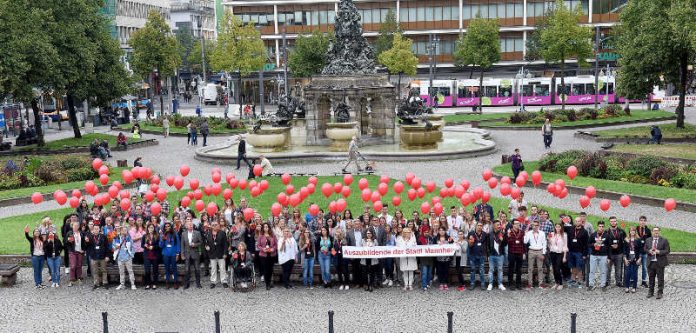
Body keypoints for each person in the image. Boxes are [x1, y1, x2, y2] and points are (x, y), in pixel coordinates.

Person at [644, 227, 670, 299]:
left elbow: (667, 250)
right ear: (652, 232)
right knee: (651, 277)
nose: (656, 232)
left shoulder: (664, 240)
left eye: (657, 231)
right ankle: (650, 292)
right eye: (654, 231)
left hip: (660, 262)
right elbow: (645, 249)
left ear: (659, 232)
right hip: (650, 262)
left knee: (660, 278)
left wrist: (659, 252)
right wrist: (649, 251)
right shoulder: (648, 240)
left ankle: (660, 292)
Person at [588, 221, 610, 291]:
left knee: (603, 271)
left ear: (604, 227)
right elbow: (588, 244)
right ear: (597, 227)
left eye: (602, 226)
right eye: (599, 226)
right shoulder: (593, 234)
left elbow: (609, 247)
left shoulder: (607, 235)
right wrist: (593, 245)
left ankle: (603, 285)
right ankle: (591, 284)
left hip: (603, 256)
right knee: (592, 271)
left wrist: (609, 257)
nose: (601, 228)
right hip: (594, 255)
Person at [567, 217, 589, 288]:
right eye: (576, 221)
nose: (577, 222)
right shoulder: (571, 229)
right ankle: (573, 280)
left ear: (581, 222)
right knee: (573, 267)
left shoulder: (584, 232)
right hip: (571, 252)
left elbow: (586, 244)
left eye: (578, 221)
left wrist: (585, 254)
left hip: (579, 253)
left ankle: (580, 281)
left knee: (579, 267)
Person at [205, 221, 228, 289]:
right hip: (212, 254)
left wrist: (225, 253)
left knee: (222, 269)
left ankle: (224, 281)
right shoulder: (208, 233)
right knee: (213, 269)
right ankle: (213, 282)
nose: (214, 226)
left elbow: (225, 245)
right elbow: (206, 243)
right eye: (213, 225)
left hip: (221, 254)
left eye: (216, 225)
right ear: (211, 226)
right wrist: (206, 246)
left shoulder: (222, 233)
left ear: (218, 225)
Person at [524, 221, 547, 289]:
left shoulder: (542, 233)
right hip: (531, 251)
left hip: (540, 251)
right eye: (534, 225)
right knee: (530, 268)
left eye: (536, 225)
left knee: (540, 268)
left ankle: (541, 283)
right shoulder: (529, 233)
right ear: (532, 226)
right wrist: (526, 233)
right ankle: (530, 284)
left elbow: (544, 243)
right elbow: (525, 241)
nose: (535, 226)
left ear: (539, 226)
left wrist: (543, 253)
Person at [113, 226, 136, 290]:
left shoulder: (129, 238)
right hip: (120, 257)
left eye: (126, 230)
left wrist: (132, 255)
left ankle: (132, 284)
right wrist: (115, 247)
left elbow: (133, 247)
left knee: (130, 271)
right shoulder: (116, 238)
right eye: (123, 230)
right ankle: (122, 284)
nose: (124, 231)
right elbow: (113, 246)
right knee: (121, 272)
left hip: (128, 257)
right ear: (120, 231)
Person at [605, 217, 626, 287]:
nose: (613, 222)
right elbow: (605, 243)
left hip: (619, 253)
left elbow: (625, 242)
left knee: (619, 269)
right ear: (609, 222)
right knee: (608, 269)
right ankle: (607, 281)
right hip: (609, 253)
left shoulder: (621, 231)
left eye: (614, 221)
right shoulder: (606, 231)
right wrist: (611, 246)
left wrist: (622, 250)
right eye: (611, 221)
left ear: (617, 222)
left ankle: (619, 282)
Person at [181, 220, 203, 289]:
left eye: (191, 225)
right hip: (187, 254)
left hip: (195, 253)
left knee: (197, 269)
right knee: (187, 269)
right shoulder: (183, 234)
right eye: (189, 225)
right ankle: (186, 284)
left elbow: (201, 242)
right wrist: (182, 254)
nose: (190, 226)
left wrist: (195, 244)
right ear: (186, 226)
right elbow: (182, 245)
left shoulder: (197, 233)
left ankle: (198, 283)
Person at [87, 225, 109, 289]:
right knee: (95, 271)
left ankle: (105, 283)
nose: (96, 230)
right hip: (94, 257)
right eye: (95, 229)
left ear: (99, 229)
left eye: (97, 229)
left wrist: (107, 256)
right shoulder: (90, 237)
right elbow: (87, 246)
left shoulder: (103, 237)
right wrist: (86, 242)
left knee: (104, 270)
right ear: (93, 230)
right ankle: (96, 283)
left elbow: (107, 247)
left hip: (102, 257)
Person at [257, 223, 277, 290]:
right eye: (265, 227)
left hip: (271, 255)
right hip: (263, 255)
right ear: (263, 228)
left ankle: (269, 281)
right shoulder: (261, 236)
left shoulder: (273, 235)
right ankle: (267, 284)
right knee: (266, 269)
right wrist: (263, 249)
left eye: (267, 227)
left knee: (270, 269)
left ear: (269, 228)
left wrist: (273, 249)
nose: (266, 228)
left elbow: (276, 245)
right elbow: (258, 246)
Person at [487, 221, 507, 291]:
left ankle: (500, 284)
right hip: (492, 255)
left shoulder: (503, 234)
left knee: (500, 270)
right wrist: (488, 254)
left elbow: (505, 244)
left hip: (500, 255)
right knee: (491, 270)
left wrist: (503, 239)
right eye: (497, 225)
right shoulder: (490, 234)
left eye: (500, 225)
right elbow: (487, 245)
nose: (499, 226)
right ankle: (490, 284)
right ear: (494, 226)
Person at [160, 222, 181, 289]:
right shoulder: (163, 235)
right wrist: (163, 240)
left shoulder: (175, 234)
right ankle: (167, 282)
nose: (167, 228)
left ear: (171, 227)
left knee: (174, 268)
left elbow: (178, 244)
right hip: (166, 254)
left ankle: (175, 282)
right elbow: (160, 246)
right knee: (167, 269)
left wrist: (178, 254)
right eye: (165, 226)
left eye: (168, 226)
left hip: (173, 254)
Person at [548, 222, 568, 290]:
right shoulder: (552, 234)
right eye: (556, 227)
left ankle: (561, 283)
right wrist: (549, 239)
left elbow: (565, 246)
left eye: (559, 227)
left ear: (561, 227)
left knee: (558, 269)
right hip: (553, 252)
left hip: (560, 253)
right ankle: (556, 282)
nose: (558, 228)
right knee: (554, 269)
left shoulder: (564, 235)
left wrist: (564, 256)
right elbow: (550, 243)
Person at [65, 221, 86, 287]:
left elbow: (84, 242)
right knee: (73, 265)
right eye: (74, 225)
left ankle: (79, 278)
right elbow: (65, 243)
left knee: (79, 265)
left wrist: (83, 249)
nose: (76, 227)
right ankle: (72, 279)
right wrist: (68, 241)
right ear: (72, 226)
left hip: (80, 251)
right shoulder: (69, 233)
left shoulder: (81, 233)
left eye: (77, 225)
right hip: (72, 251)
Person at [623, 226, 643, 293]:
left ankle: (634, 287)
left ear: (635, 232)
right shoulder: (626, 239)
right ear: (629, 232)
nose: (632, 232)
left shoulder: (638, 240)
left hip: (636, 258)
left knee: (634, 273)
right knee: (627, 273)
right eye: (631, 231)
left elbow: (640, 250)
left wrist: (639, 259)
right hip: (628, 257)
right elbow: (624, 250)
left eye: (633, 231)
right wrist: (625, 259)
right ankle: (627, 286)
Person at [468, 222, 487, 290]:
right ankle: (472, 283)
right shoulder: (471, 233)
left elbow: (485, 245)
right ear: (476, 226)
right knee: (472, 270)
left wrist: (485, 254)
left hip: (481, 255)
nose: (480, 227)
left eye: (481, 225)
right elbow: (469, 245)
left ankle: (483, 283)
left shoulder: (484, 234)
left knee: (481, 270)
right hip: (472, 255)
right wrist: (471, 242)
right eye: (478, 225)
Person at [142, 224, 160, 289]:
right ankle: (148, 283)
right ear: (147, 228)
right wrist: (145, 246)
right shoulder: (144, 236)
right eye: (149, 227)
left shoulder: (157, 236)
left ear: (154, 228)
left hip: (155, 254)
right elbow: (142, 245)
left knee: (155, 270)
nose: (151, 229)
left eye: (152, 227)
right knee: (147, 270)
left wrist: (153, 247)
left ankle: (155, 283)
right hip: (147, 255)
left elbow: (159, 245)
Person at [637, 216, 652, 288]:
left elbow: (650, 241)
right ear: (639, 221)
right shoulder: (636, 229)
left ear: (645, 222)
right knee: (635, 267)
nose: (642, 222)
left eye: (644, 220)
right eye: (641, 220)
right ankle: (633, 281)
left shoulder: (648, 230)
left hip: (645, 252)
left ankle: (644, 281)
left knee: (645, 268)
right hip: (637, 252)